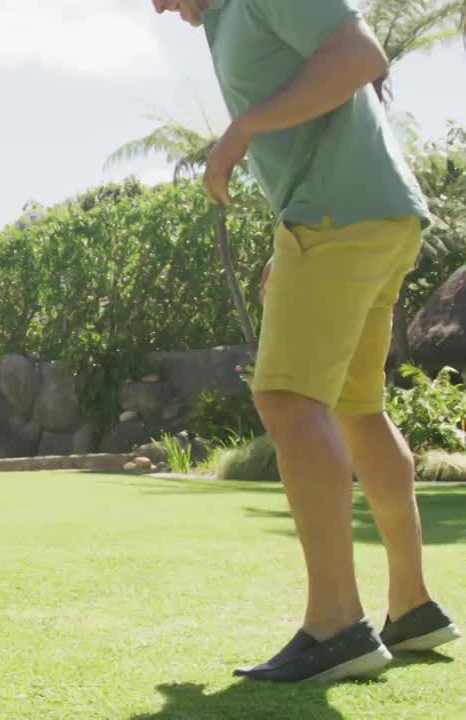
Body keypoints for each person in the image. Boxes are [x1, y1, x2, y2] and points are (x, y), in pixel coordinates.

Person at [152, 0, 460, 683]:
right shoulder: (226, 17)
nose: (157, 5)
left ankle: (336, 626)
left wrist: (240, 131)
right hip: (362, 213)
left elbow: (358, 55)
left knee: (289, 399)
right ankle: (412, 607)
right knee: (356, 407)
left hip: (338, 214)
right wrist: (289, 240)